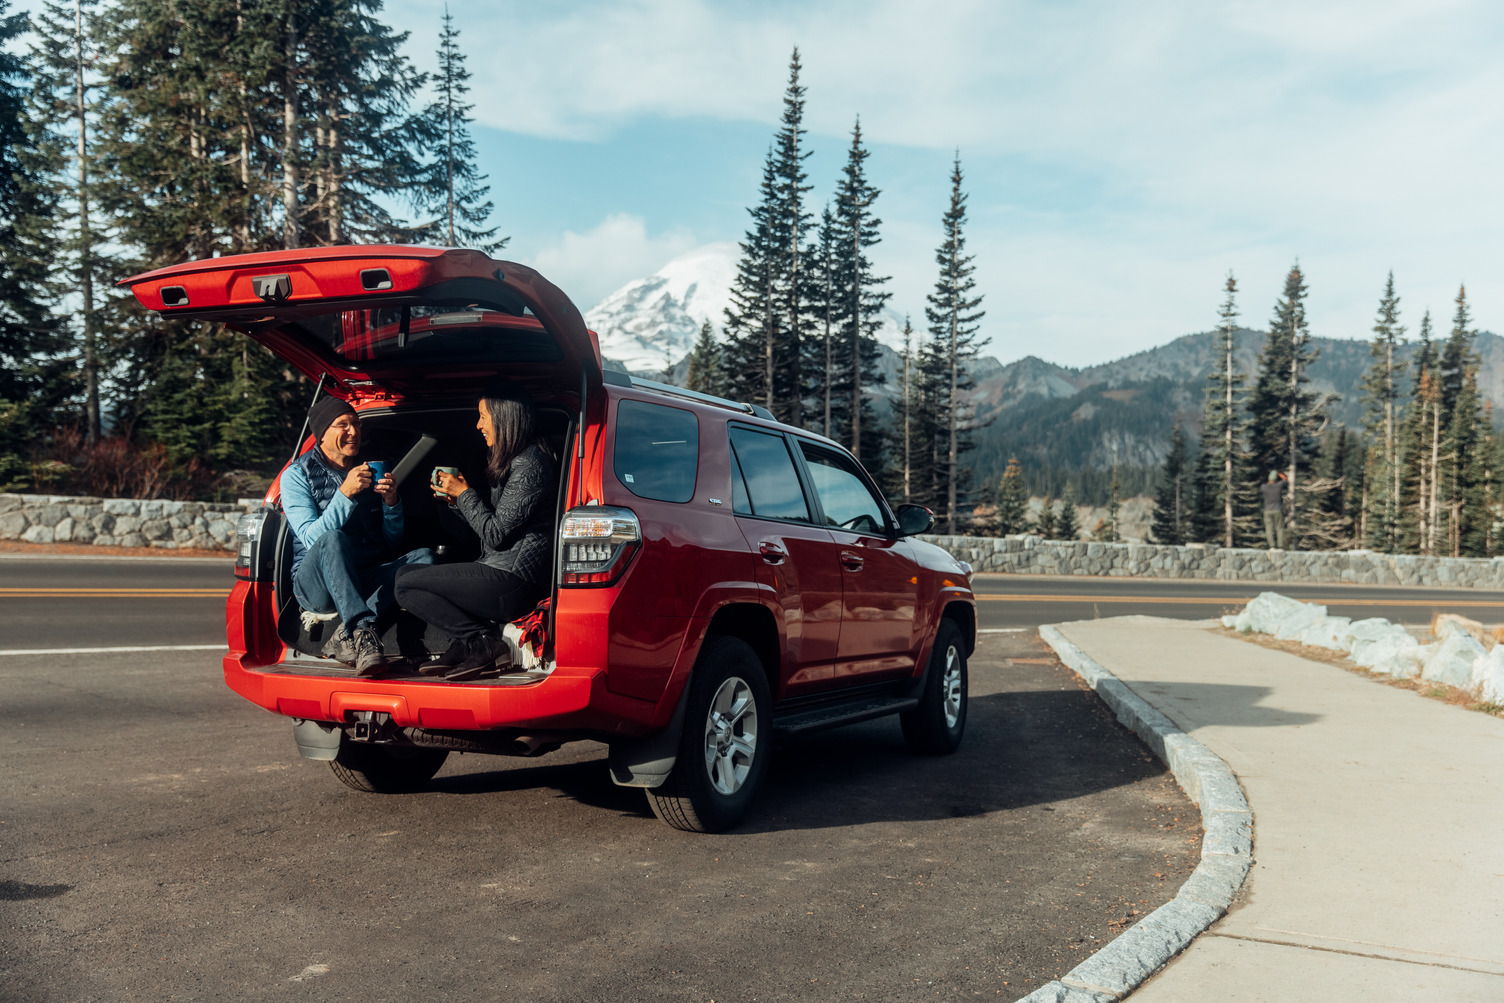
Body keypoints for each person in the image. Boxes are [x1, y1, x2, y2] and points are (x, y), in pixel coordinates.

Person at [396, 382, 557, 681]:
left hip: (515, 580)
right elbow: (486, 532)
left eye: (483, 416)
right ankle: (467, 644)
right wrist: (457, 501)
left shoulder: (531, 465)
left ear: (504, 417)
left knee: (405, 584)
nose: (478, 425)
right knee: (407, 577)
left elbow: (496, 534)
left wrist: (465, 494)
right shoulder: (515, 462)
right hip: (498, 569)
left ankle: (482, 643)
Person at [282, 396, 434, 676]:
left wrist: (391, 504)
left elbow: (391, 542)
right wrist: (344, 494)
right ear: (322, 434)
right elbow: (311, 538)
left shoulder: (366, 471)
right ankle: (362, 631)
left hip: (360, 576)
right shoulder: (296, 475)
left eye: (355, 424)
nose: (353, 432)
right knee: (333, 538)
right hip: (315, 586)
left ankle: (344, 633)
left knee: (423, 557)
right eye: (342, 425)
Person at [1260, 470, 1287, 550]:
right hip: (1277, 509)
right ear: (1276, 479)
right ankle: (1280, 546)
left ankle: (1272, 546)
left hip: (1267, 510)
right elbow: (1285, 479)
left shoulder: (1264, 487)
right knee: (1279, 528)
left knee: (1269, 529)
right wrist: (1279, 473)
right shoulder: (1279, 485)